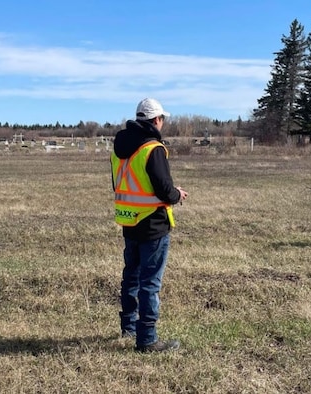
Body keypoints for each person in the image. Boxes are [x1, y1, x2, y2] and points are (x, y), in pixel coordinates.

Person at [111, 98, 188, 352]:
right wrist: (177, 194)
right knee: (150, 283)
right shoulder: (153, 149)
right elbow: (164, 190)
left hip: (129, 221)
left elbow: (122, 186)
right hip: (153, 225)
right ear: (157, 120)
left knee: (130, 278)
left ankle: (128, 328)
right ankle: (147, 340)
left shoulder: (119, 149)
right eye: (163, 119)